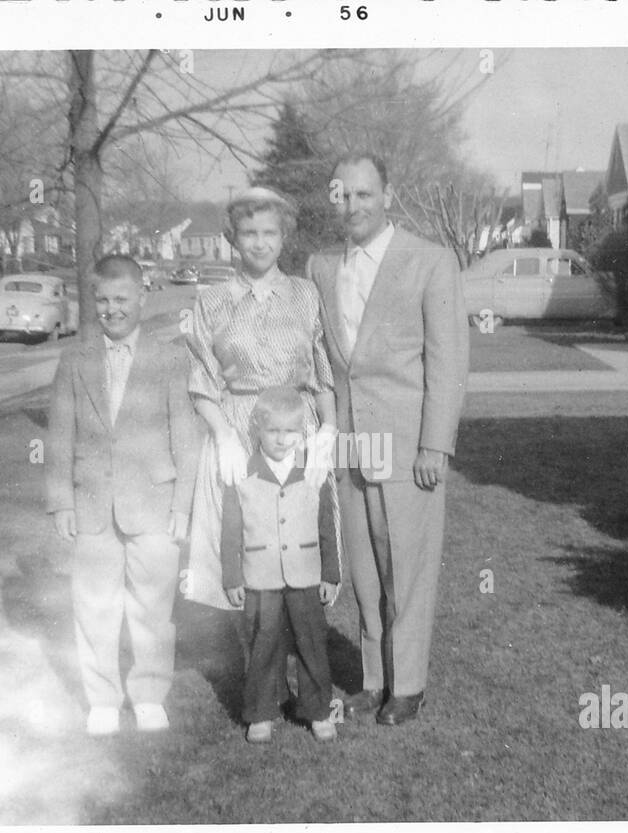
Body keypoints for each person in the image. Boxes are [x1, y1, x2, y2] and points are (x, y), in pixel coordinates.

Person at [306, 153, 470, 727]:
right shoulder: (323, 267)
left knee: (408, 568)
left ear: (388, 195)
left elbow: (448, 362)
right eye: (343, 195)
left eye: (364, 194)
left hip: (407, 446)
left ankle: (410, 685)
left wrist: (435, 445)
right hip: (353, 445)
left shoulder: (430, 261)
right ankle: (374, 683)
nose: (352, 205)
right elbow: (325, 360)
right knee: (367, 571)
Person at [45, 254, 201, 735]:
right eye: (103, 300)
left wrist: (182, 505)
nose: (112, 309)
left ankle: (150, 692)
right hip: (92, 502)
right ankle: (103, 700)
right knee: (93, 603)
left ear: (142, 297)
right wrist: (61, 501)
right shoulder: (75, 359)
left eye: (122, 299)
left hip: (154, 502)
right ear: (93, 301)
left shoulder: (171, 357)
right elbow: (58, 435)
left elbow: (186, 436)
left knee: (153, 605)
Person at [184, 187, 339, 615]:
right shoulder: (213, 300)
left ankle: (299, 653)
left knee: (297, 541)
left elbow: (322, 370)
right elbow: (201, 379)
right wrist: (223, 436)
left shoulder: (306, 294)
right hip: (238, 429)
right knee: (243, 539)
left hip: (297, 428)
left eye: (269, 232)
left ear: (284, 236)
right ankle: (255, 661)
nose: (260, 242)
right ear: (234, 237)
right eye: (249, 232)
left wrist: (327, 429)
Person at [221, 387, 342, 744]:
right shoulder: (241, 473)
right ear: (257, 427)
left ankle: (318, 709)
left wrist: (331, 574)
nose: (281, 439)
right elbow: (230, 531)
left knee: (311, 642)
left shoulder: (313, 471)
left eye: (290, 431)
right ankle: (261, 711)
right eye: (273, 430)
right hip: (260, 576)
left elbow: (326, 526)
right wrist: (232, 575)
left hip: (306, 572)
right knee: (263, 643)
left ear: (302, 431)